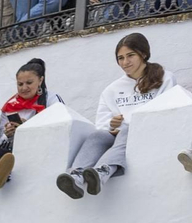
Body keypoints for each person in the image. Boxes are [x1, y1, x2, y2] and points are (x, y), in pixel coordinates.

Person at [57, 32, 175, 199]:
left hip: (149, 133)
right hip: (118, 136)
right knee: (98, 135)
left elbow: (169, 111)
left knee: (127, 129)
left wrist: (128, 125)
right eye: (120, 58)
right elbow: (102, 124)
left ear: (143, 54)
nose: (125, 62)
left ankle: (102, 171)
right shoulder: (112, 89)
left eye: (130, 55)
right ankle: (76, 176)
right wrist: (112, 125)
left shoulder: (165, 78)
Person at [0, 58, 59, 194]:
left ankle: (4, 176)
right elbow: (2, 140)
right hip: (14, 149)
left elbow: (59, 124)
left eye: (29, 83)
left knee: (11, 158)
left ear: (40, 81)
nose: (24, 88)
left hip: (39, 147)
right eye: (20, 84)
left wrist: (28, 126)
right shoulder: (10, 106)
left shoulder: (52, 99)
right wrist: (8, 134)